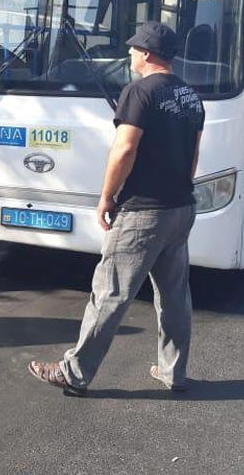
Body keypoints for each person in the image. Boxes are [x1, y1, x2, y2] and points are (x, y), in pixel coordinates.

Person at [28, 21, 205, 394]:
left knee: (109, 292)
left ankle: (74, 373)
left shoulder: (139, 92)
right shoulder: (191, 95)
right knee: (174, 296)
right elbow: (193, 156)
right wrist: (180, 189)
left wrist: (107, 196)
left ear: (146, 53)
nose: (129, 54)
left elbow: (125, 149)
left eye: (133, 49)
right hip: (180, 207)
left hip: (143, 211)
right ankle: (174, 372)